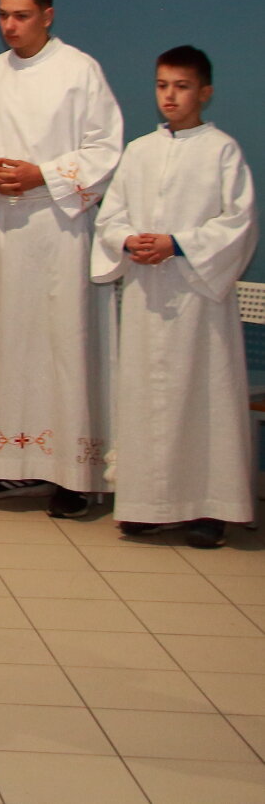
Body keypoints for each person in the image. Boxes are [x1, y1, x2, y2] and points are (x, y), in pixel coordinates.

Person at [0, 0, 124, 518]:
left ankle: (74, 475)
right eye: (3, 15)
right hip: (4, 234)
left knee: (62, 350)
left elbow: (105, 149)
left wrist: (43, 174)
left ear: (47, 16)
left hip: (58, 233)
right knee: (6, 345)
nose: (10, 26)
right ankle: (11, 464)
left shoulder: (79, 72)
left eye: (21, 16)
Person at [91, 46, 256, 549]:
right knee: (146, 399)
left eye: (182, 87)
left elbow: (238, 223)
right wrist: (129, 241)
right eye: (163, 85)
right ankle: (147, 505)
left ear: (205, 92)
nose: (170, 96)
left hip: (198, 301)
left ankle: (209, 508)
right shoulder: (139, 151)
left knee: (204, 397)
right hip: (147, 295)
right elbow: (110, 217)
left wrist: (177, 244)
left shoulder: (222, 151)